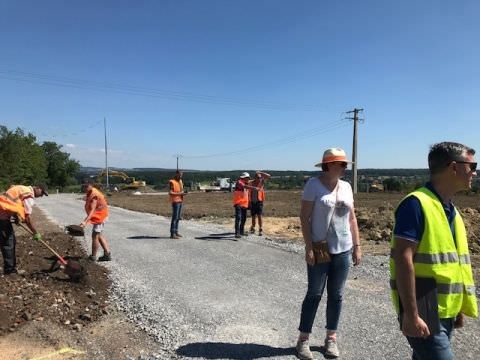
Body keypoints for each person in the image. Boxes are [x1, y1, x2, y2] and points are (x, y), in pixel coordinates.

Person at [390, 142, 478, 360]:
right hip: (424, 310)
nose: (475, 172)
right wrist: (411, 315)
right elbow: (403, 259)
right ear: (453, 168)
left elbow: (452, 265)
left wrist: (456, 307)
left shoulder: (450, 210)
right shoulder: (415, 204)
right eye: (472, 165)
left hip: (444, 311)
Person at [296, 148, 361, 360]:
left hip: (343, 248)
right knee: (314, 293)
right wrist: (309, 247)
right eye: (341, 164)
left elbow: (352, 219)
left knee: (337, 295)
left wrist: (357, 246)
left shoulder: (347, 187)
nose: (345, 167)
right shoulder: (313, 185)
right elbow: (304, 218)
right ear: (329, 165)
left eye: (345, 164)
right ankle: (303, 340)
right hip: (320, 247)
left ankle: (331, 338)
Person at [0, 185, 48, 275]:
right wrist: (35, 233)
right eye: (42, 193)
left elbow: (12, 201)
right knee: (8, 244)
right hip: (2, 219)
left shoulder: (22, 189)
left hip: (3, 217)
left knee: (11, 242)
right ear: (37, 188)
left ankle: (11, 268)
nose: (41, 196)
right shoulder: (29, 195)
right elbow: (27, 219)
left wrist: (16, 217)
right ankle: (10, 271)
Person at [80, 182, 111, 261]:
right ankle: (107, 254)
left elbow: (92, 210)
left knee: (95, 236)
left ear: (91, 185)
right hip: (99, 215)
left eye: (86, 186)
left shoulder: (94, 195)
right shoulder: (90, 192)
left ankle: (93, 256)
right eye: (83, 186)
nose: (85, 188)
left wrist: (85, 222)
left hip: (100, 216)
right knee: (99, 235)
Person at [249, 171, 271, 236]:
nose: (259, 178)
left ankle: (260, 229)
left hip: (259, 201)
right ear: (255, 177)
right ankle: (253, 227)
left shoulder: (261, 182)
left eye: (260, 177)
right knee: (253, 216)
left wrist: (260, 172)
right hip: (252, 202)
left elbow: (268, 176)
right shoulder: (251, 183)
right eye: (258, 177)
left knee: (259, 215)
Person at [232, 172, 252, 239]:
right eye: (247, 178)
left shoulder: (246, 183)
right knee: (238, 218)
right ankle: (237, 233)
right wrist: (254, 188)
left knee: (243, 218)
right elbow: (243, 186)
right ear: (244, 178)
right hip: (238, 203)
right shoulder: (239, 182)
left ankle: (241, 231)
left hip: (244, 204)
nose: (248, 179)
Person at [169, 170, 186, 239]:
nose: (180, 176)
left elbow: (180, 190)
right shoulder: (172, 182)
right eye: (179, 175)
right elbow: (170, 193)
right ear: (176, 174)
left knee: (178, 217)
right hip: (175, 201)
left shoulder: (180, 181)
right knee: (175, 218)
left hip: (180, 200)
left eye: (181, 175)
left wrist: (183, 193)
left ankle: (176, 231)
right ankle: (172, 234)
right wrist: (180, 194)